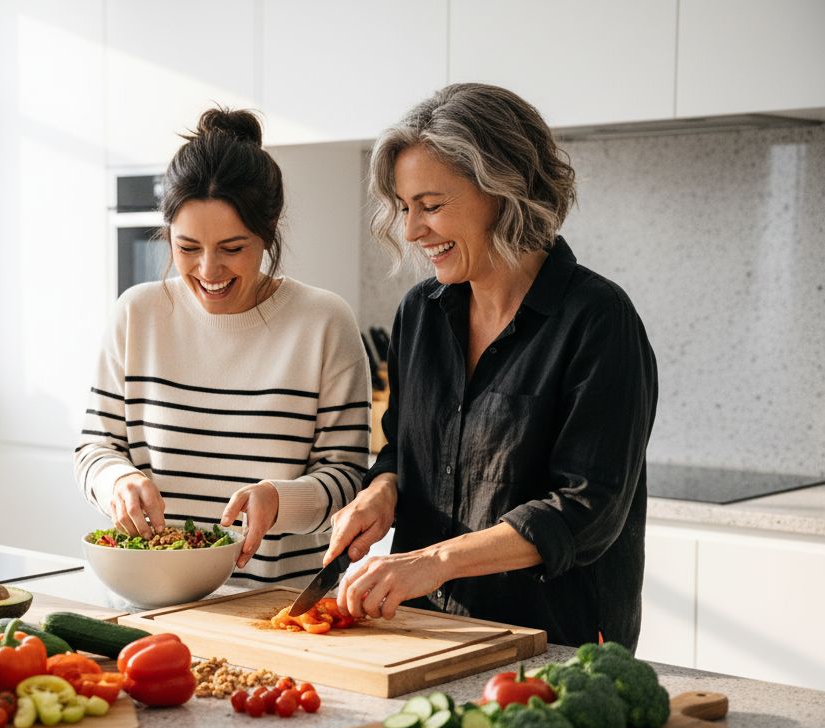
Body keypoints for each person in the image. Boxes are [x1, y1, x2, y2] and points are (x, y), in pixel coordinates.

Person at [327, 83, 658, 650]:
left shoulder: (598, 319)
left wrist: (434, 561)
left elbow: (586, 509)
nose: (411, 231)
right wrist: (381, 489)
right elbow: (403, 452)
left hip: (556, 646)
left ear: (503, 191)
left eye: (431, 206)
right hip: (428, 631)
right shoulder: (419, 315)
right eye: (406, 209)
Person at [74, 108, 371, 586]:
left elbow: (347, 476)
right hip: (156, 599)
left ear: (268, 234)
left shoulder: (323, 322)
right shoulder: (137, 315)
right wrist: (118, 482)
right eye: (188, 248)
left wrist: (280, 500)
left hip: (276, 608)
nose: (209, 271)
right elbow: (95, 447)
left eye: (233, 249)